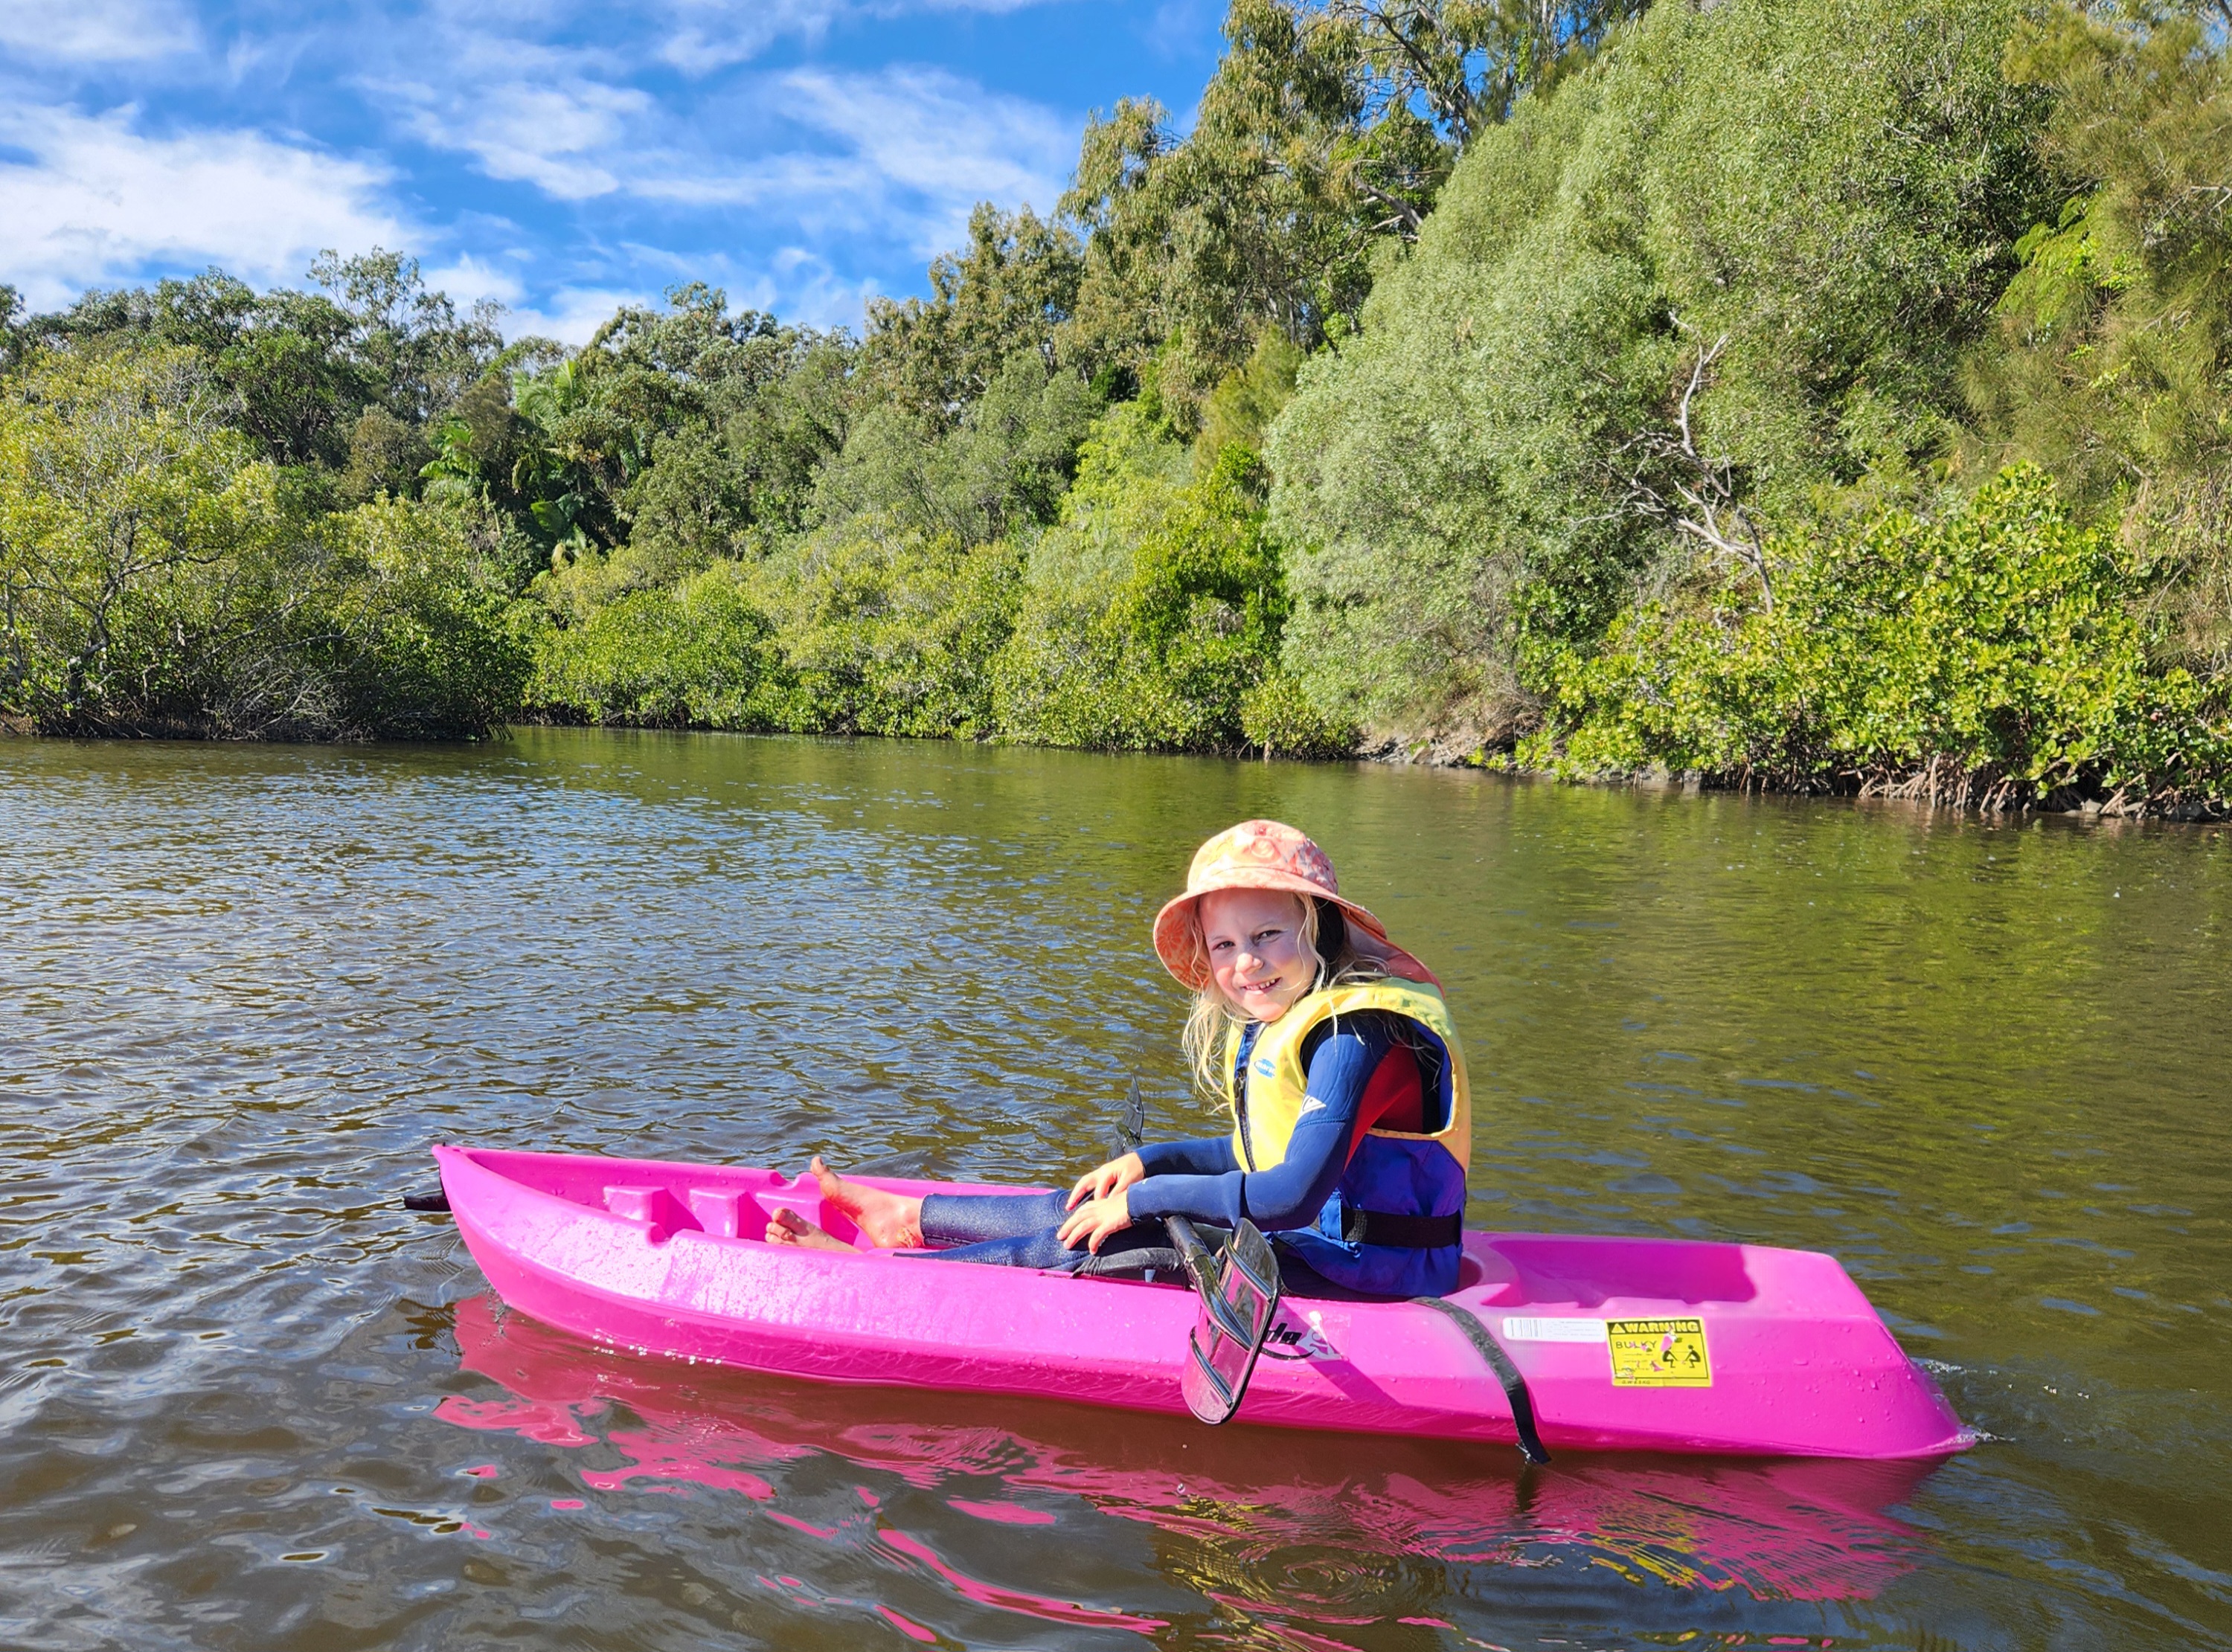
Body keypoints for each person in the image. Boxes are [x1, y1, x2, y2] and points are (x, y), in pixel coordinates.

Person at [766, 819, 1473, 1299]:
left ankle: (880, 1283)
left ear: (1316, 925)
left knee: (1125, 1236)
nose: (1246, 962)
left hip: (1376, 1268)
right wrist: (1150, 1162)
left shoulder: (1356, 1033)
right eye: (1224, 945)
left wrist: (1146, 1198)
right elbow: (1260, 1151)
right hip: (1319, 1242)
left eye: (1267, 933)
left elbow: (1291, 1195)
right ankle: (913, 1220)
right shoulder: (1297, 1009)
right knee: (1090, 1206)